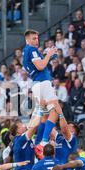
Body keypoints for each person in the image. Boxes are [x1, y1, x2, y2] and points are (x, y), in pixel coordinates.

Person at [22, 29, 61, 160]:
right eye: (33, 38)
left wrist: (48, 56)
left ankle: (39, 144)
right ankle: (44, 141)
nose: (36, 41)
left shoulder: (27, 52)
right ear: (27, 40)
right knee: (55, 110)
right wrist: (49, 55)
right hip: (43, 83)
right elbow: (40, 66)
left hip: (37, 84)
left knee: (44, 116)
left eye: (37, 38)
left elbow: (39, 65)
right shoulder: (31, 49)